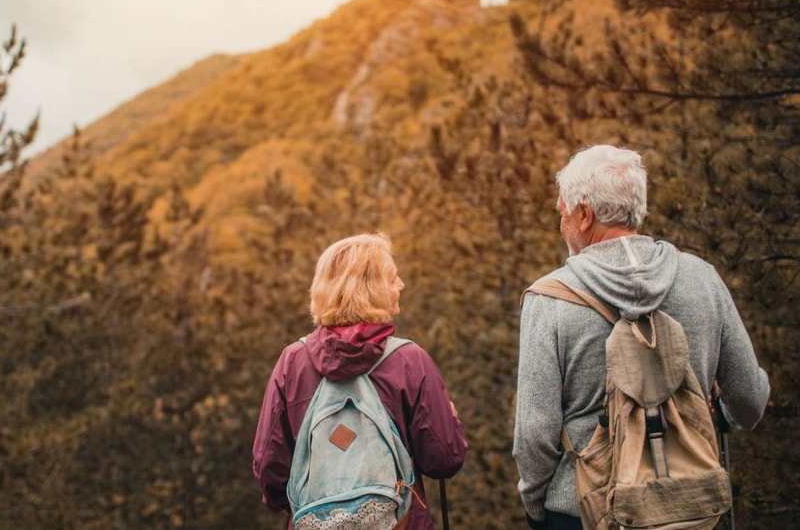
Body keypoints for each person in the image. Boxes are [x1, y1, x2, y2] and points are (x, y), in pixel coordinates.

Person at [513, 144, 771, 529]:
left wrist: (538, 507)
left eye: (562, 212)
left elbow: (535, 434)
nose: (561, 222)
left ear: (584, 215)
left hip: (584, 511)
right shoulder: (702, 278)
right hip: (692, 509)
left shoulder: (550, 299)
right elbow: (750, 400)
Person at [253, 233, 467, 529]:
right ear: (372, 288)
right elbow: (444, 460)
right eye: (393, 278)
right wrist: (451, 424)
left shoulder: (293, 362)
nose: (401, 284)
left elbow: (269, 469)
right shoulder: (409, 360)